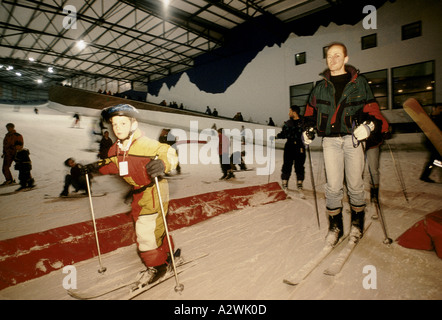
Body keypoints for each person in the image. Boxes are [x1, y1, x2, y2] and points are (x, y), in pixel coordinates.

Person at [302, 42, 388, 246]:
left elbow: (374, 114)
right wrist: (307, 129)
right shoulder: (319, 88)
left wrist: (368, 127)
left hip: (353, 140)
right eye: (329, 56)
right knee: (332, 187)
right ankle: (336, 227)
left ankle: (357, 224)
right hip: (330, 142)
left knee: (355, 185)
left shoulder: (360, 84)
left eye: (337, 55)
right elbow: (309, 115)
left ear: (346, 59)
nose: (332, 59)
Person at [83, 104, 179, 284]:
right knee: (155, 229)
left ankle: (157, 267)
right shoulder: (116, 149)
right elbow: (113, 164)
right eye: (114, 124)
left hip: (153, 190)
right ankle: (168, 255)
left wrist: (163, 164)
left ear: (133, 123)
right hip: (138, 194)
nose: (118, 128)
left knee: (145, 233)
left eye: (122, 123)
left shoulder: (146, 144)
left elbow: (169, 152)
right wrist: (96, 167)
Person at [276, 105, 306, 191]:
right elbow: (283, 134)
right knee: (287, 164)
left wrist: (309, 136)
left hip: (300, 146)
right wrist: (277, 136)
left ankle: (300, 182)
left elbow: (309, 135)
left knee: (299, 165)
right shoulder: (288, 123)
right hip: (289, 146)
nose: (288, 113)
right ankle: (285, 181)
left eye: (290, 111)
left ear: (294, 112)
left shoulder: (303, 123)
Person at [420, 103, 442, 183]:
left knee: (433, 160)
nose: (441, 110)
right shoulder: (429, 119)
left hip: (438, 143)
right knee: (434, 160)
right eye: (439, 108)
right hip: (431, 143)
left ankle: (424, 176)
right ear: (434, 108)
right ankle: (424, 176)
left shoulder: (440, 118)